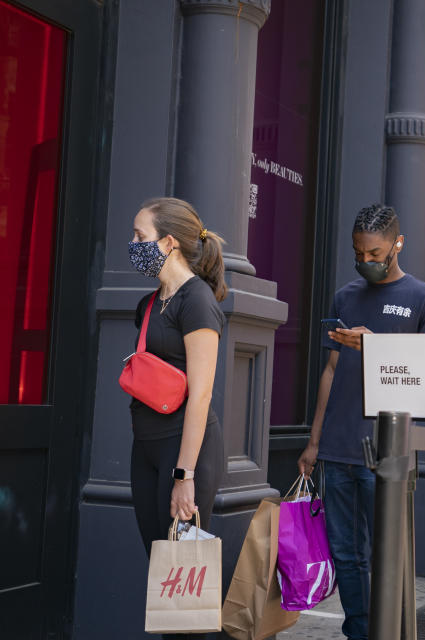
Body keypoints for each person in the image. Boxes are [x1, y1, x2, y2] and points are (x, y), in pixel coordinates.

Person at [296, 204, 425, 640]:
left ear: (397, 244)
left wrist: (375, 346)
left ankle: (390, 632)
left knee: (387, 553)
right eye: (358, 253)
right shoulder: (345, 296)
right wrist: (313, 441)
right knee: (346, 553)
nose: (366, 262)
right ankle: (358, 633)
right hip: (338, 445)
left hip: (387, 450)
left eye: (375, 253)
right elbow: (330, 370)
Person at [127, 197, 227, 640]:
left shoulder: (198, 302)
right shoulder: (151, 302)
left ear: (168, 242)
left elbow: (201, 395)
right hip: (146, 446)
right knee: (163, 571)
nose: (133, 244)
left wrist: (183, 475)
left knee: (184, 592)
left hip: (184, 451)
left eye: (140, 236)